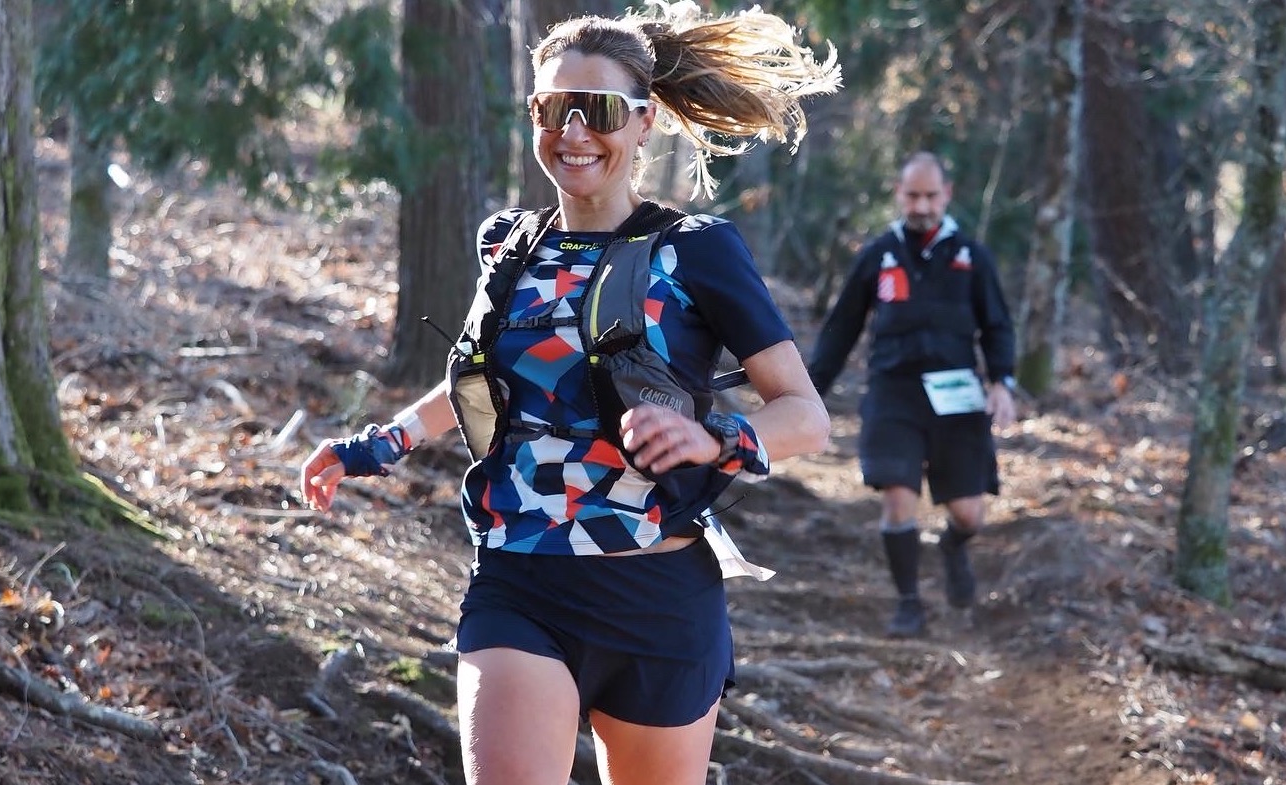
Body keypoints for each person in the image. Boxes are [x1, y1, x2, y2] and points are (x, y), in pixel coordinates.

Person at [299, 4, 838, 783]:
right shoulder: (507, 244)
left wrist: (715, 435)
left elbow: (806, 415)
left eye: (600, 110)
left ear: (644, 123)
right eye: (554, 109)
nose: (574, 131)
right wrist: (374, 444)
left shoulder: (696, 251)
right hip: (521, 577)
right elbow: (481, 380)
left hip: (658, 594)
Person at [807, 151, 1017, 639]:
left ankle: (953, 546)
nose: (921, 205)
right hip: (893, 393)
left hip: (958, 397)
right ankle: (908, 604)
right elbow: (842, 329)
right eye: (912, 195)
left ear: (946, 195)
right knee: (898, 499)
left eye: (930, 195)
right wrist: (808, 391)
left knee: (970, 513)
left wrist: (1002, 381)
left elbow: (998, 325)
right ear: (899, 195)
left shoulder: (971, 257)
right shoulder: (879, 253)